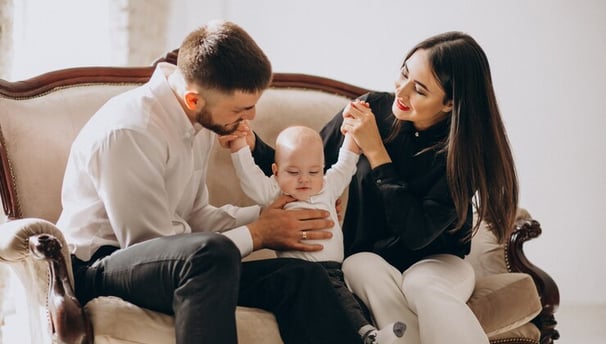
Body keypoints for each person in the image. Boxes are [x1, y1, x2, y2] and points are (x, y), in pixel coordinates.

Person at [56, 20, 364, 344]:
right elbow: (152, 245)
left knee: (303, 277)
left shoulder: (200, 122)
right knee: (210, 254)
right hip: (99, 266)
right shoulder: (131, 131)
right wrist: (259, 235)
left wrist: (274, 214)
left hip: (188, 262)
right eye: (242, 108)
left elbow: (194, 217)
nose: (251, 117)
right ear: (194, 100)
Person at [244, 31, 519, 343]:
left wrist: (376, 152)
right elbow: (302, 167)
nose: (401, 91)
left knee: (421, 285)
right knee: (360, 266)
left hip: (439, 263)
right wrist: (251, 144)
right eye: (403, 74)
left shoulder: (462, 156)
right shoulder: (370, 109)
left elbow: (416, 234)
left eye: (419, 90)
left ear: (450, 103)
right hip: (367, 258)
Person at [227, 124, 406, 343]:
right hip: (305, 271)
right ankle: (369, 334)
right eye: (293, 172)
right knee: (339, 300)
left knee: (351, 301)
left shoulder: (327, 187)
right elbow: (250, 177)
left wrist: (351, 136)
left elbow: (345, 165)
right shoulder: (275, 193)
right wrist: (239, 148)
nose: (304, 179)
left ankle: (370, 332)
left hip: (335, 269)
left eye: (314, 171)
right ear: (275, 171)